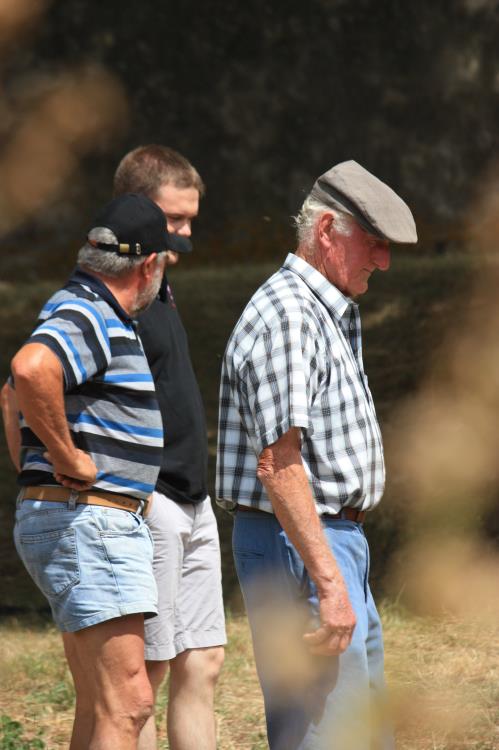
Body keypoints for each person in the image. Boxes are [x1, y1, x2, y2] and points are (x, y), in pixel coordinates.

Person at [216, 160, 417, 750]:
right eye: (373, 244)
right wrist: (329, 583)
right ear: (327, 230)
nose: (382, 261)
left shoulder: (321, 309)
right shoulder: (291, 315)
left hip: (324, 544)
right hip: (303, 545)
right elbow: (279, 464)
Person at [3, 193, 185, 750]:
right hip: (92, 523)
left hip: (78, 520)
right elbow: (29, 371)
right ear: (148, 265)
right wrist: (62, 456)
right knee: (130, 703)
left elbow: (9, 397)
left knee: (102, 704)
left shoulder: (77, 305)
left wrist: (35, 467)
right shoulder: (92, 311)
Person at [113, 145, 226, 750]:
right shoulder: (109, 290)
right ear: (135, 208)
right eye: (173, 219)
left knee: (203, 660)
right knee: (145, 677)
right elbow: (31, 380)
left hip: (194, 498)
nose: (184, 234)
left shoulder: (160, 283)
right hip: (149, 501)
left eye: (190, 221)